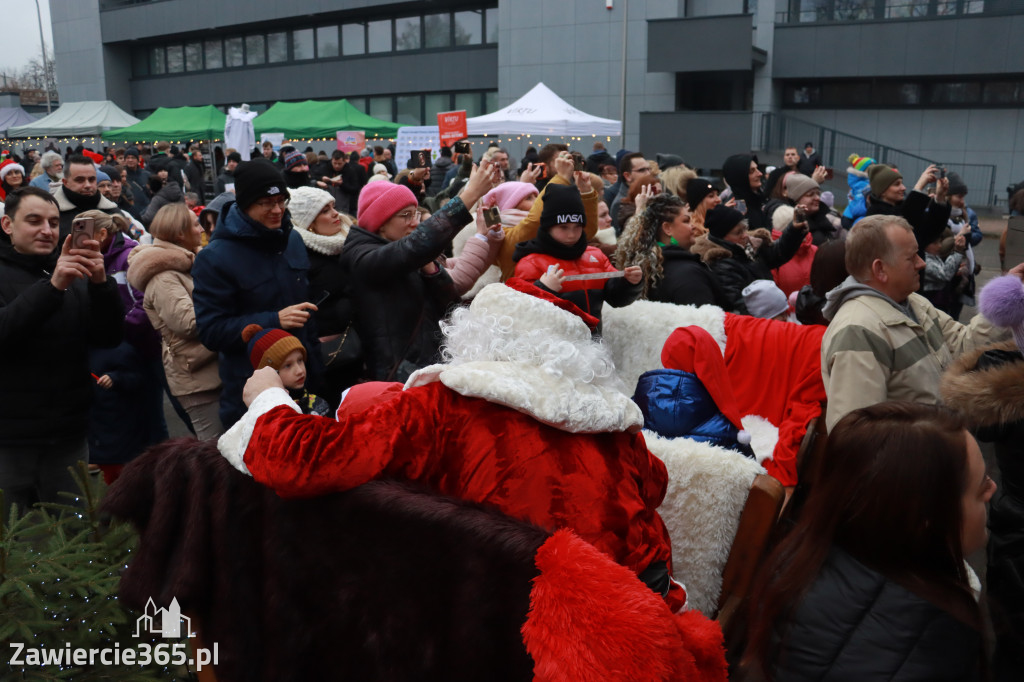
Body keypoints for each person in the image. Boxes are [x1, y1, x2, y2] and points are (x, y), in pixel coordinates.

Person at [218, 277, 688, 612]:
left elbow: (311, 460)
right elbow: (655, 485)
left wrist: (268, 400)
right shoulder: (611, 421)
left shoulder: (443, 405)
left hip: (514, 618)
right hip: (637, 605)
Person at [745, 402, 992, 682]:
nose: (992, 489)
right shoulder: (941, 645)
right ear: (927, 519)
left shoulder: (797, 564)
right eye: (981, 487)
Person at [820, 214, 1018, 431]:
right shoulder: (857, 332)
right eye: (911, 257)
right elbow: (858, 435)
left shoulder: (912, 302)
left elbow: (963, 344)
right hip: (922, 452)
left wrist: (1008, 295)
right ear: (880, 269)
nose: (921, 263)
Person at [0, 188, 123, 509]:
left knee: (74, 526)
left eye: (54, 223)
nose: (47, 230)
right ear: (7, 225)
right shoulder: (57, 276)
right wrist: (52, 287)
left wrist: (100, 284)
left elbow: (108, 338)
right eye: (34, 221)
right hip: (9, 437)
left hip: (68, 432)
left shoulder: (69, 270)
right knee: (14, 530)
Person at [340, 158, 500, 381]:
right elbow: (416, 245)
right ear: (380, 222)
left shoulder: (408, 254)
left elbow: (450, 297)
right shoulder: (362, 256)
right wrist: (470, 195)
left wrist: (433, 271)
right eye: (406, 215)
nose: (415, 223)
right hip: (397, 374)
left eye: (415, 214)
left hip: (428, 362)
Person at [193, 159, 322, 428]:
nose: (277, 210)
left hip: (307, 383)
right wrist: (273, 320)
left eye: (281, 201)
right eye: (266, 203)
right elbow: (211, 331)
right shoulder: (214, 258)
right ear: (244, 204)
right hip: (254, 393)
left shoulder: (292, 239)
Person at [127, 202, 223, 441]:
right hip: (197, 378)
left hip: (208, 371)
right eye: (196, 224)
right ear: (180, 233)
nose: (202, 230)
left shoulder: (186, 263)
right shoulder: (163, 275)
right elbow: (188, 323)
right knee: (215, 452)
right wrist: (228, 306)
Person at [513, 184, 642, 331]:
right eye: (563, 227)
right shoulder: (530, 263)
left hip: (594, 342)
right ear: (548, 227)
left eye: (577, 227)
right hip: (553, 343)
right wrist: (543, 289)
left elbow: (616, 298)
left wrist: (630, 283)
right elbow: (523, 315)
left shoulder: (596, 256)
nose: (571, 234)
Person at [288, 186, 358, 405]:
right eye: (325, 211)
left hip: (359, 345)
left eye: (333, 207)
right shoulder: (301, 258)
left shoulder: (350, 242)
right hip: (328, 355)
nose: (336, 214)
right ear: (309, 223)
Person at [615, 193, 726, 307]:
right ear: (667, 228)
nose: (693, 226)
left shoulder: (650, 264)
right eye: (686, 221)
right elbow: (705, 316)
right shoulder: (687, 274)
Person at [693, 205, 806, 314]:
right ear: (721, 238)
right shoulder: (721, 265)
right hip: (762, 318)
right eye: (738, 233)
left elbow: (777, 253)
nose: (745, 235)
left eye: (744, 229)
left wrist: (794, 230)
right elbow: (739, 305)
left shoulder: (748, 247)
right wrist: (769, 317)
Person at [241, 324, 330, 416]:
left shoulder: (318, 404)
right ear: (271, 373)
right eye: (287, 366)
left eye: (300, 360)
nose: (299, 371)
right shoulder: (271, 416)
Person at [865, 162, 951, 253]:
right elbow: (904, 224)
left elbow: (932, 231)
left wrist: (940, 197)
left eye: (902, 183)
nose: (903, 188)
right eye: (897, 184)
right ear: (882, 191)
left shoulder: (904, 207)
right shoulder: (874, 215)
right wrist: (919, 186)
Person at [721, 153, 766, 229]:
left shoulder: (756, 200)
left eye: (757, 168)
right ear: (740, 177)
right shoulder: (738, 206)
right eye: (752, 171)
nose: (760, 174)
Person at [610, 152, 651, 234]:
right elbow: (628, 237)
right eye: (642, 170)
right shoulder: (620, 204)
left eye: (649, 169)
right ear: (627, 176)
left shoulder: (645, 195)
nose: (648, 174)